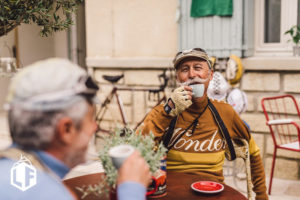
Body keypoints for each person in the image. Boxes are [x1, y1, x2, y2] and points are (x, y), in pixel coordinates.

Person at [0, 58, 150, 200]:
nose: (95, 127)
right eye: (91, 119)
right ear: (66, 130)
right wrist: (132, 189)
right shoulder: (44, 193)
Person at [139, 48, 268, 200]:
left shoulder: (225, 112)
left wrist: (261, 195)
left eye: (198, 68)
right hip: (172, 192)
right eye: (184, 69)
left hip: (214, 193)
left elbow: (253, 151)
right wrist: (168, 111)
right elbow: (137, 150)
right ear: (178, 78)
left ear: (210, 75)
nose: (192, 74)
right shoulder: (163, 111)